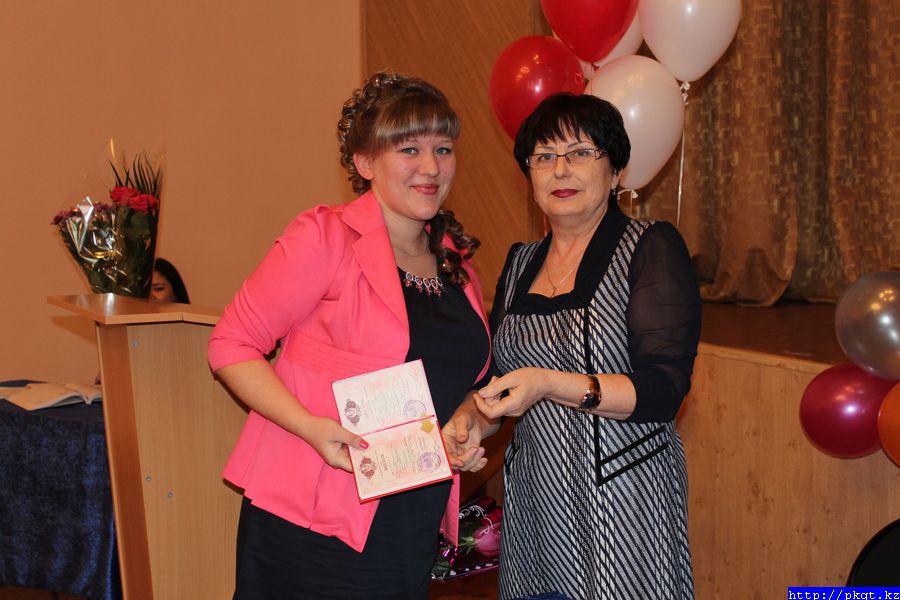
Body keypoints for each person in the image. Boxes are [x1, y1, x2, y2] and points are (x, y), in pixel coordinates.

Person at [207, 72, 492, 599]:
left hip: (409, 523)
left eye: (443, 149)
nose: (431, 167)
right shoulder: (325, 237)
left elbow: (472, 388)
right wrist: (311, 428)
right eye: (409, 149)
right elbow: (230, 344)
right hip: (312, 521)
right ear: (364, 163)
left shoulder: (458, 264)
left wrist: (467, 424)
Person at [468, 93, 701, 599]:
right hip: (536, 509)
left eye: (580, 153)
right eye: (544, 157)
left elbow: (664, 390)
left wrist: (548, 383)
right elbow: (501, 385)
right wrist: (472, 426)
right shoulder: (519, 262)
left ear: (615, 171)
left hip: (626, 506)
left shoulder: (650, 246)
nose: (560, 170)